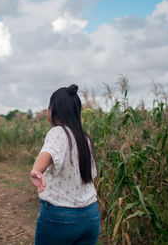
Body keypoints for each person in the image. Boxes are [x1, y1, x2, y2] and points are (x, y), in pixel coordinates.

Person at [30, 84, 100, 245]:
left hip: (61, 216)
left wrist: (36, 170)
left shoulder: (58, 132)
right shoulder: (85, 138)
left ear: (53, 110)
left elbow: (47, 154)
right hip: (91, 215)